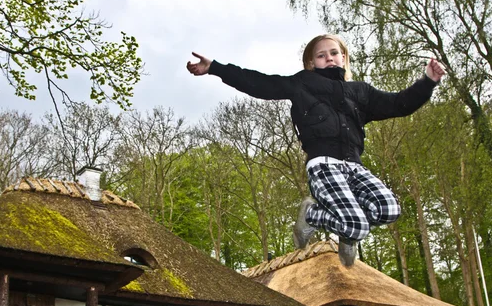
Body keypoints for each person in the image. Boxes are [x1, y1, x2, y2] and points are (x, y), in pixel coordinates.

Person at [186, 34, 445, 266]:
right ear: (311, 63)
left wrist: (428, 82)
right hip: (323, 164)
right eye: (321, 56)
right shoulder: (302, 84)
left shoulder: (361, 92)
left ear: (343, 58)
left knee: (389, 209)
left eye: (334, 53)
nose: (329, 58)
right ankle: (312, 217)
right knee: (356, 225)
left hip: (355, 166)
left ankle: (329, 223)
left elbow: (399, 104)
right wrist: (216, 68)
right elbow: (260, 83)